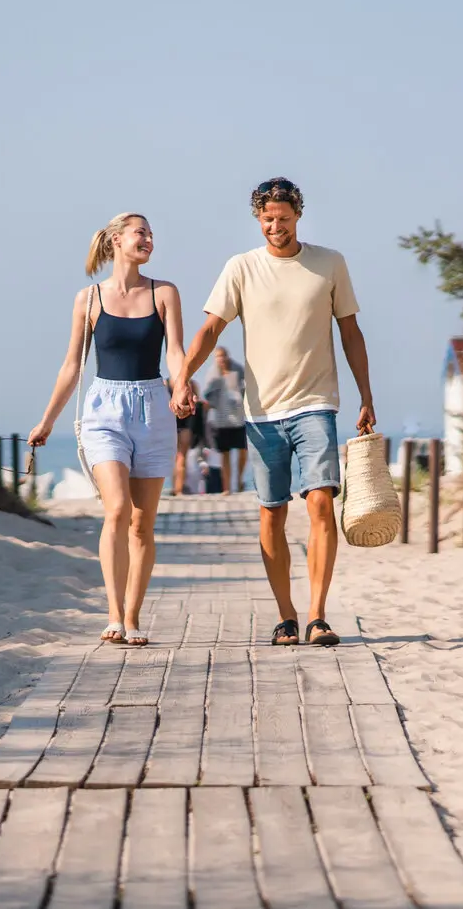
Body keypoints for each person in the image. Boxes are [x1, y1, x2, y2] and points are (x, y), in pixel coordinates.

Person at [176, 178, 374, 647]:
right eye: (267, 219)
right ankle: (286, 615)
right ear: (257, 219)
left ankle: (318, 615)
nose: (276, 227)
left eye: (284, 218)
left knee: (321, 501)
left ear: (298, 215)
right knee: (272, 515)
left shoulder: (329, 263)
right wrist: (184, 374)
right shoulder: (241, 268)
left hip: (316, 403)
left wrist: (366, 394)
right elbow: (211, 328)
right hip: (262, 413)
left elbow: (351, 333)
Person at [30, 212, 186, 646]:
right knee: (117, 509)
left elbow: (175, 351)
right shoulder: (89, 299)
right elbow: (71, 366)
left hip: (154, 407)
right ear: (117, 240)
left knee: (142, 524)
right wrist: (47, 420)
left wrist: (182, 385)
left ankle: (133, 617)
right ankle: (114, 614)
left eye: (152, 234)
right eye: (141, 233)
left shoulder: (165, 293)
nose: (149, 239)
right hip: (105, 410)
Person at [201, 346, 248, 493]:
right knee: (225, 455)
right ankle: (227, 487)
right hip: (221, 420)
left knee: (243, 451)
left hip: (238, 418)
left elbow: (246, 388)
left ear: (227, 356)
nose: (221, 359)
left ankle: (239, 480)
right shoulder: (212, 373)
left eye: (223, 355)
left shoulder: (238, 369)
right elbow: (207, 395)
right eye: (218, 356)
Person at [172, 376, 204, 495]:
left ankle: (178, 488)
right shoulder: (188, 386)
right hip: (179, 423)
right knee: (179, 458)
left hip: (184, 424)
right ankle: (178, 488)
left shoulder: (187, 385)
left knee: (179, 458)